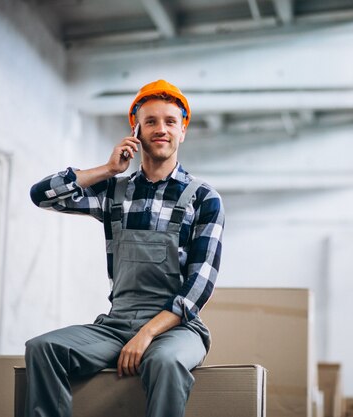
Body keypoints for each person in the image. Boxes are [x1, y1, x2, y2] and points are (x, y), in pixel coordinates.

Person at [25, 79, 225, 417]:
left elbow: (199, 286)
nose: (161, 129)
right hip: (117, 324)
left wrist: (146, 335)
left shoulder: (203, 199)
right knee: (43, 349)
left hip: (178, 328)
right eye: (150, 121)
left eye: (170, 122)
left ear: (183, 131)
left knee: (164, 361)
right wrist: (107, 169)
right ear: (136, 130)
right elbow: (41, 195)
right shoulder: (113, 192)